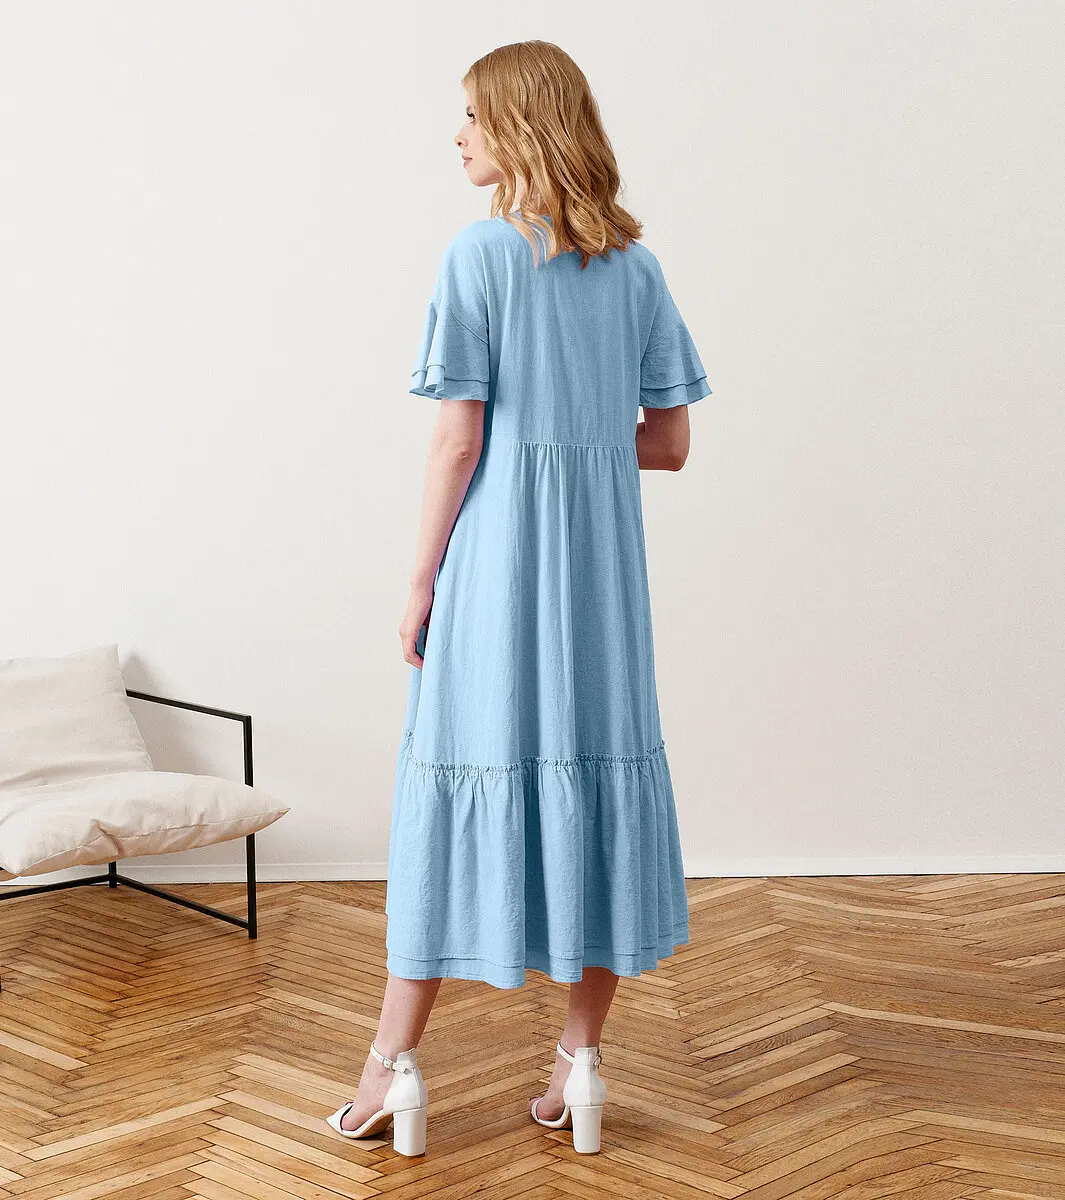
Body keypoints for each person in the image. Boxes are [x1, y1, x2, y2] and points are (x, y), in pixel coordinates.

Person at [326, 40, 712, 1157]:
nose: (457, 135)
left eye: (473, 116)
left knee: (455, 780)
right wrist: (579, 448)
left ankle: (392, 1070)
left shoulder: (479, 255)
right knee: (600, 781)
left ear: (520, 126)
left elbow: (458, 441)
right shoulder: (635, 269)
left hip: (496, 568)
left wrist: (420, 582)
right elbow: (669, 444)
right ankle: (580, 1062)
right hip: (602, 580)